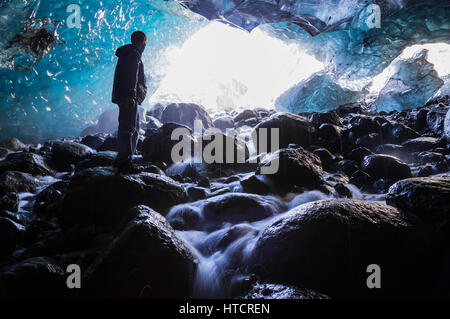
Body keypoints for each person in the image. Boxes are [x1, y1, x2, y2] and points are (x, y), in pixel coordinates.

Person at [111, 30, 147, 173]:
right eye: (145, 43)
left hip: (125, 96)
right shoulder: (133, 54)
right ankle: (125, 162)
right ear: (141, 42)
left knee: (130, 128)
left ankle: (122, 159)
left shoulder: (127, 53)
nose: (145, 47)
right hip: (128, 97)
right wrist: (131, 96)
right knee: (129, 129)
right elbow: (132, 75)